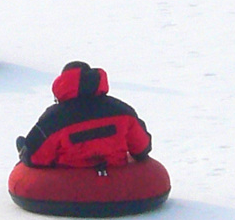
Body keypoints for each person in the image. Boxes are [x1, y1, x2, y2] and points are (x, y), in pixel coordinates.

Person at [16, 62, 152, 169]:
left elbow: (33, 158)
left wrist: (24, 149)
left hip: (69, 184)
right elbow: (142, 149)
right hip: (115, 180)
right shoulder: (123, 111)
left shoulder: (53, 119)